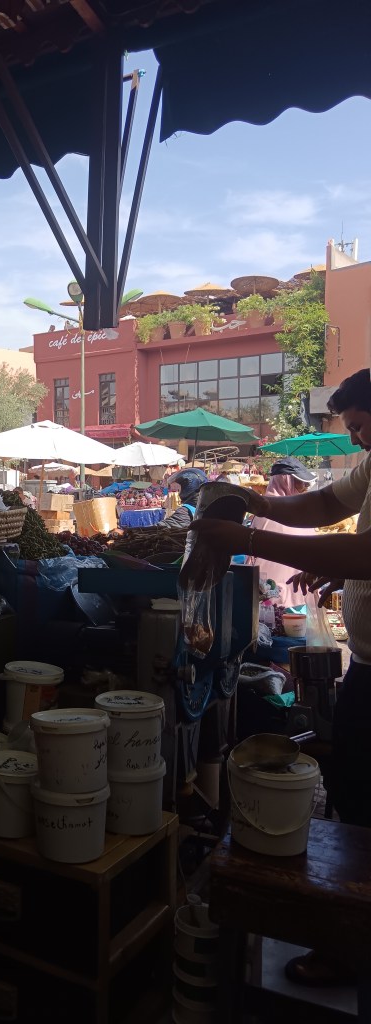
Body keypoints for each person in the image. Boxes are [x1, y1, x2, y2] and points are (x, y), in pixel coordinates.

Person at [189, 368, 371, 987]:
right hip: (367, 669)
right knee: (354, 792)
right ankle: (350, 937)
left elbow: (368, 550)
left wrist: (239, 535)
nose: (360, 443)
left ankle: (351, 948)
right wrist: (260, 504)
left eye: (362, 430)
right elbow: (325, 505)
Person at [246, 457, 317, 607]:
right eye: (300, 483)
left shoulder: (302, 510)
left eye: (305, 483)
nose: (305, 487)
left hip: (300, 593)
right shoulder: (267, 511)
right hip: (272, 595)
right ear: (286, 481)